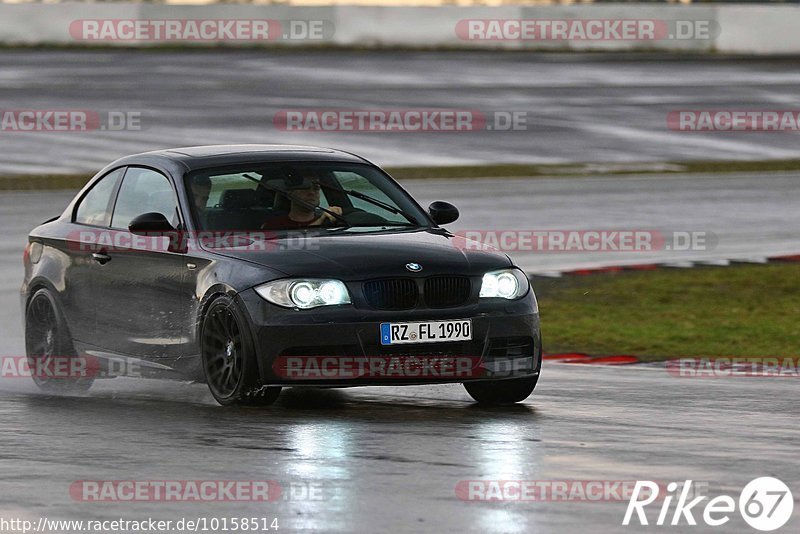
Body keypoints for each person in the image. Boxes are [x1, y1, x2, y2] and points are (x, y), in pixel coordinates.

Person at [262, 171, 343, 229]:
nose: (311, 192)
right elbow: (297, 242)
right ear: (290, 194)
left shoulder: (331, 221)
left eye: (316, 188)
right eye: (305, 187)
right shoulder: (273, 226)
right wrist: (320, 221)